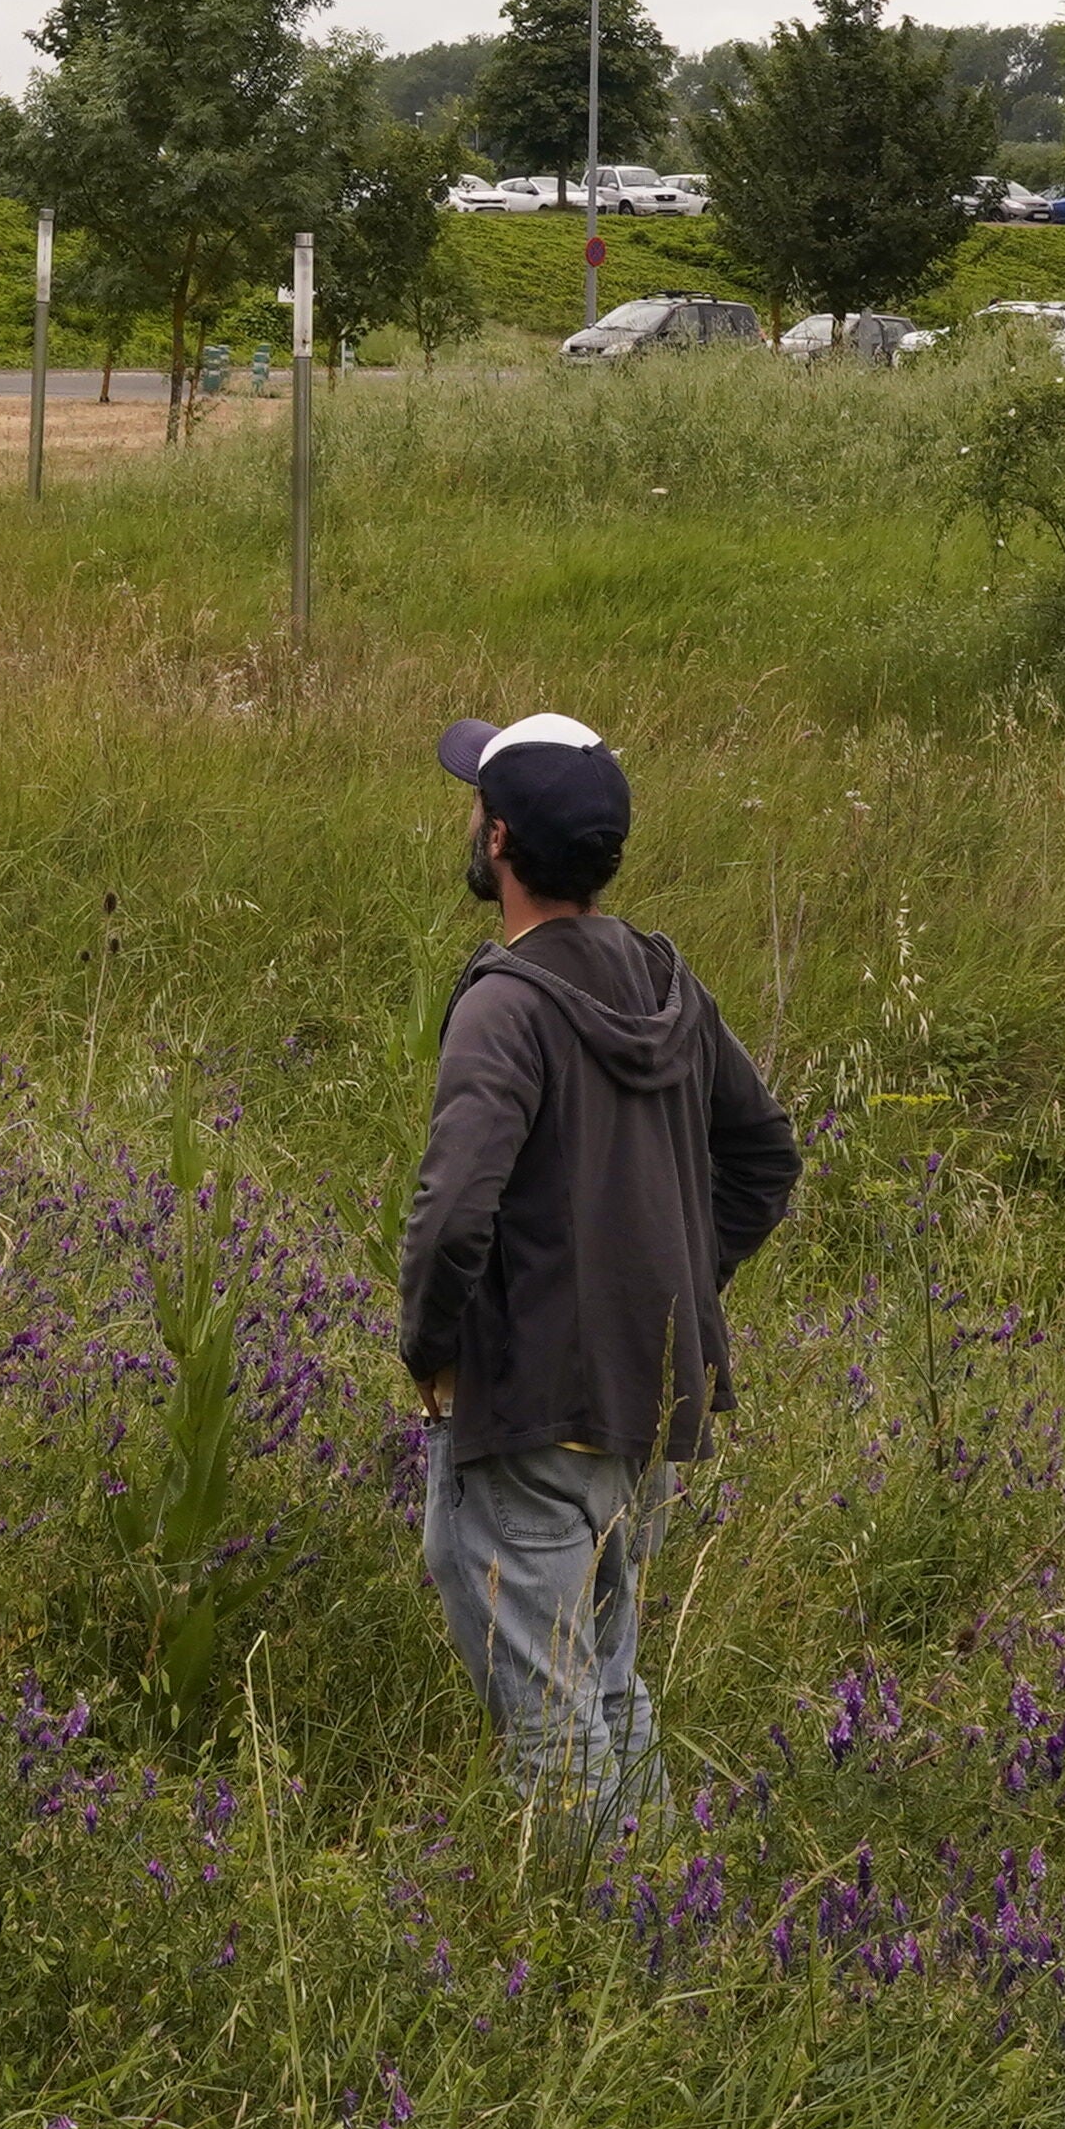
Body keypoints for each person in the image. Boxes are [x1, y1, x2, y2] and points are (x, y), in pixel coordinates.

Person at [397, 708, 801, 1846]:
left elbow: (453, 1209)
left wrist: (434, 1353)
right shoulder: (664, 979)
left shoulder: (505, 1004)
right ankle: (666, 1902)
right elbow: (765, 1154)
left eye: (477, 806)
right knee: (604, 1683)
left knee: (551, 1719)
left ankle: (591, 1961)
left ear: (501, 839)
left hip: (530, 1411)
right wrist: (671, 1292)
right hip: (641, 1402)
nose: (471, 822)